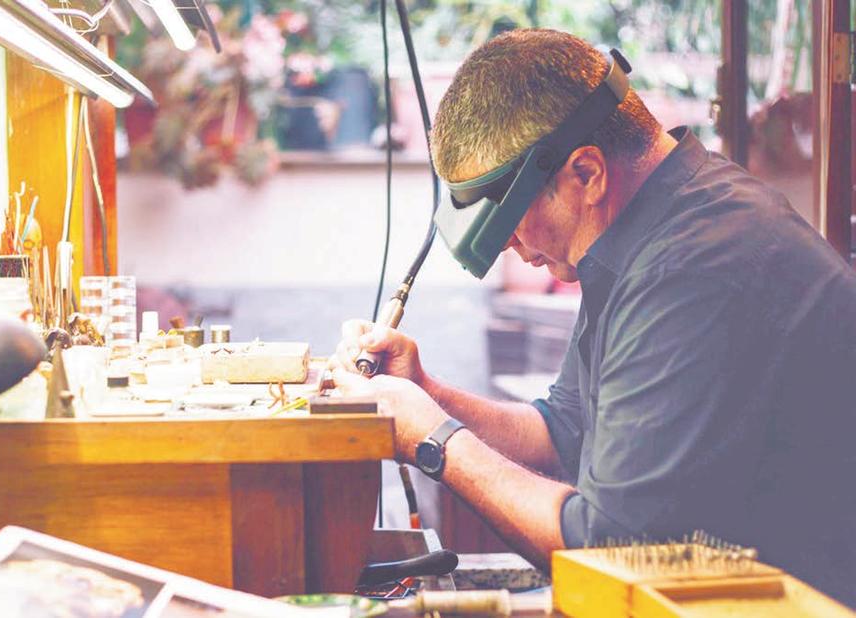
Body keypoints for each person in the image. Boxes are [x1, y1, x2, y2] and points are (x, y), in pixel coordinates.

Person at [331, 29, 856, 606]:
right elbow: (565, 430)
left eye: (510, 221)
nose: (508, 246)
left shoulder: (694, 267)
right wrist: (427, 393)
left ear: (586, 173)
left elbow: (609, 548)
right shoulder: (647, 229)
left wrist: (431, 438)